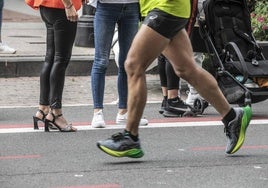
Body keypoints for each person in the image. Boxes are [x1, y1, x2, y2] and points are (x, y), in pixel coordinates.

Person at [97, 0, 252, 157]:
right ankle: (232, 117)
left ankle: (130, 136)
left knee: (133, 65)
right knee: (187, 69)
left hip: (166, 7)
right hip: (166, 8)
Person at [90, 0, 148, 128]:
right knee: (101, 61)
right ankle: (97, 111)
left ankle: (124, 111)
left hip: (132, 6)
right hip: (106, 6)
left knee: (127, 63)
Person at [26, 0, 81, 132]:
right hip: (61, 6)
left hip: (47, 6)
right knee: (60, 60)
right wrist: (68, 5)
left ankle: (43, 109)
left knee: (50, 58)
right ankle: (56, 113)